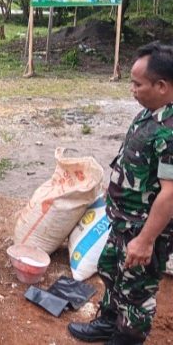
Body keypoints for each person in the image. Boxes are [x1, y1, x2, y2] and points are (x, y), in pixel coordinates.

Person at [68, 42, 173, 345]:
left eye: (137, 83)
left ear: (162, 85)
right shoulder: (150, 114)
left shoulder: (169, 129)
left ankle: (127, 337)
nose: (132, 89)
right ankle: (108, 322)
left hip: (144, 229)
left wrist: (146, 240)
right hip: (124, 222)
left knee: (137, 291)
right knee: (112, 273)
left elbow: (170, 194)